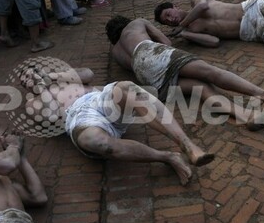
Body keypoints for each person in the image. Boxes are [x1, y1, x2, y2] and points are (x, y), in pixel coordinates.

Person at [15, 66, 215, 184]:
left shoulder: (64, 77)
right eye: (25, 81)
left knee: (127, 87)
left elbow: (88, 73)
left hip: (99, 98)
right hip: (80, 118)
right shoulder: (33, 102)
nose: (30, 80)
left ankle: (187, 145)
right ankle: (168, 157)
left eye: (32, 74)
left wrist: (52, 78)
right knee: (97, 143)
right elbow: (49, 120)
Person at [106, 15, 264, 132]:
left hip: (147, 77)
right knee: (211, 72)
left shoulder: (115, 52)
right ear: (125, 23)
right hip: (152, 53)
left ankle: (247, 116)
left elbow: (132, 67)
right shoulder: (137, 23)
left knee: (200, 89)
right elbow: (166, 43)